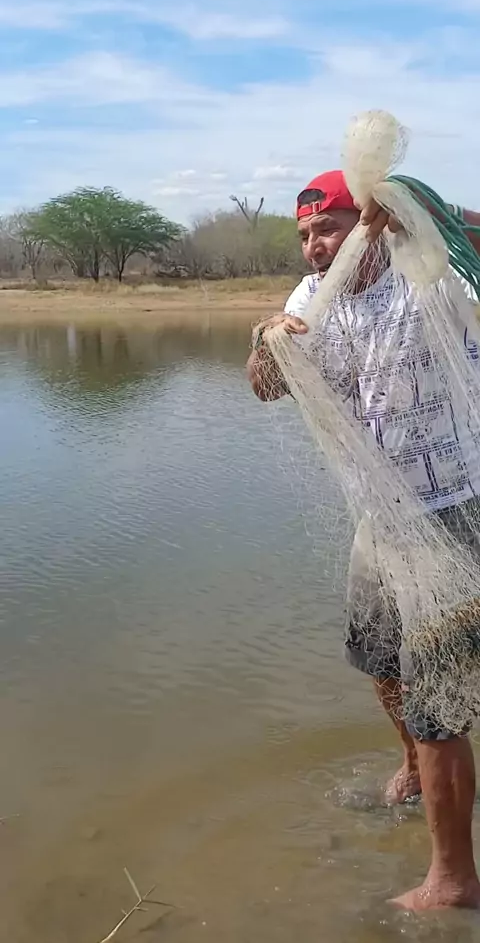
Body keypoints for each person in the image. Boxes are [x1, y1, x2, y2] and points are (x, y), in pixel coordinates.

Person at [246, 169, 480, 912]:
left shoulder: (431, 273)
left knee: (437, 704)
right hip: (379, 520)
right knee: (379, 662)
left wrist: (422, 204)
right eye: (305, 234)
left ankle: (453, 880)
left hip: (454, 515)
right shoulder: (310, 299)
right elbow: (264, 387)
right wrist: (266, 342)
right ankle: (412, 767)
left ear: (371, 223)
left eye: (329, 227)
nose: (314, 245)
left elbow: (472, 244)